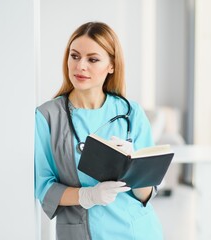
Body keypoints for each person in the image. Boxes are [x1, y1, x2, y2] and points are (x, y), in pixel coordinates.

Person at [34, 21, 163, 240]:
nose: (80, 66)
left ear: (111, 65)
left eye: (92, 59)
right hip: (84, 233)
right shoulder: (48, 116)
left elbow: (146, 194)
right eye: (74, 56)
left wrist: (135, 166)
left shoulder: (131, 112)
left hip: (138, 231)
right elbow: (43, 187)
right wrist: (88, 195)